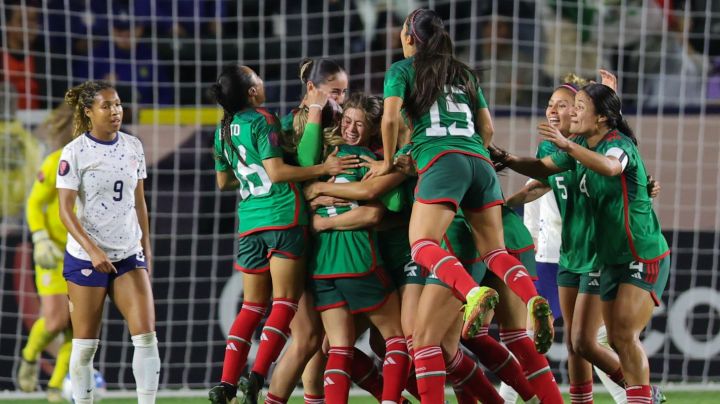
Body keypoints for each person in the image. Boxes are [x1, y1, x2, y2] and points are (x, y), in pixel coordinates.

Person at [371, 10, 554, 400]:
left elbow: (389, 119)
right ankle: (532, 296)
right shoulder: (464, 73)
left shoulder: (402, 70)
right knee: (495, 251)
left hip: (442, 162)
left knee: (422, 245)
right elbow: (486, 129)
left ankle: (471, 293)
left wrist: (390, 161)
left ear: (410, 38)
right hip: (480, 161)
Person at [500, 83, 670, 404]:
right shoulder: (567, 149)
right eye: (557, 104)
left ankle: (640, 395)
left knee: (613, 337)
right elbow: (539, 179)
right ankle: (635, 394)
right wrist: (504, 158)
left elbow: (612, 165)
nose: (559, 110)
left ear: (600, 117)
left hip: (623, 254)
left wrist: (570, 142)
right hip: (575, 254)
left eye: (571, 105)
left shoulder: (604, 146)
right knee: (579, 342)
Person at [207, 64, 357, 404]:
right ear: (251, 92)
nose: (263, 81)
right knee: (289, 307)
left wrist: (250, 176)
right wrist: (325, 169)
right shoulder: (268, 120)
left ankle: (227, 383)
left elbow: (224, 180)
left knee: (255, 308)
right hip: (284, 218)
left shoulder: (222, 129)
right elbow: (277, 172)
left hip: (249, 224)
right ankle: (257, 376)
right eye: (257, 79)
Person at [57, 81, 159, 404]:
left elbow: (139, 202)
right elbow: (65, 210)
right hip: (87, 258)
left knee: (147, 338)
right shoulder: (74, 152)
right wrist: (92, 250)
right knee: (85, 347)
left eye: (118, 105)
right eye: (107, 106)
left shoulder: (133, 146)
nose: (115, 111)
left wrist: (146, 246)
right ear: (88, 112)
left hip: (128, 254)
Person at [307, 93, 411, 404]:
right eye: (347, 121)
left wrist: (319, 213)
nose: (351, 128)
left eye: (359, 124)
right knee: (396, 340)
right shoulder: (369, 161)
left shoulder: (320, 163)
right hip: (358, 260)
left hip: (322, 267)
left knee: (337, 348)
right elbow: (376, 211)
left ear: (373, 128)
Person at [17, 104, 75, 402]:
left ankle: (55, 386)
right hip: (53, 253)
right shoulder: (56, 162)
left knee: (78, 328)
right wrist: (40, 238)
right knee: (55, 320)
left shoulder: (100, 163)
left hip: (87, 254)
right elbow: (34, 203)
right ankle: (28, 356)